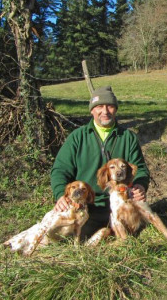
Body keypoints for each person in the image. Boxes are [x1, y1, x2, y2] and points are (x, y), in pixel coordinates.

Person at [50, 86, 150, 239]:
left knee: (136, 232)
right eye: (99, 107)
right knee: (70, 237)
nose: (105, 111)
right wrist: (60, 195)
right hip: (88, 206)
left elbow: (140, 168)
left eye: (110, 106)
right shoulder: (78, 137)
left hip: (122, 203)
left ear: (115, 109)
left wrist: (140, 185)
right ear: (92, 110)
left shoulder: (127, 137)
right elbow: (60, 170)